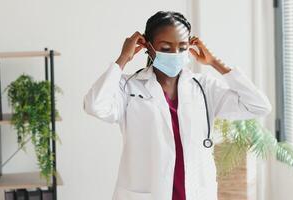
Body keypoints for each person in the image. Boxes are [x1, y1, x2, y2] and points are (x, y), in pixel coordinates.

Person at [83, 11, 272, 200]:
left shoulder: (204, 87)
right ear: (148, 47)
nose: (175, 54)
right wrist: (123, 58)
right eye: (165, 48)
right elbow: (95, 105)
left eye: (182, 47)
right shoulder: (128, 87)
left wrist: (215, 63)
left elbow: (258, 106)